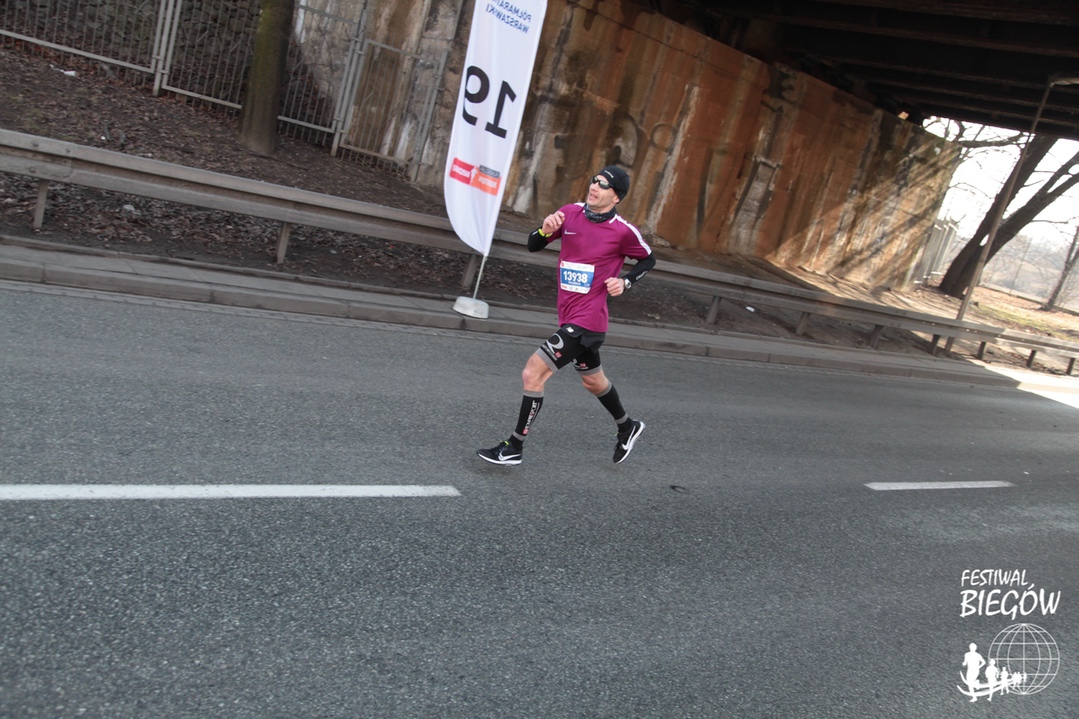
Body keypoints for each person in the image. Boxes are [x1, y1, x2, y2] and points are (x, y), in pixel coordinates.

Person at [477, 165, 656, 466]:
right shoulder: (569, 213)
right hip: (569, 315)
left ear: (616, 197)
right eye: (594, 180)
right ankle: (628, 427)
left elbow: (648, 259)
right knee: (593, 383)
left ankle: (514, 446)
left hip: (587, 321)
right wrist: (545, 230)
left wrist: (625, 282)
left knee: (533, 372)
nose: (595, 186)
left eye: (604, 185)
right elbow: (533, 244)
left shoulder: (623, 231)